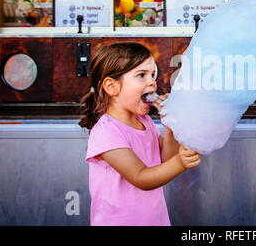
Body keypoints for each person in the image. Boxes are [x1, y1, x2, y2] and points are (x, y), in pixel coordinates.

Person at [79, 42, 201, 226]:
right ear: (111, 87)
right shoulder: (106, 132)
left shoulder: (145, 123)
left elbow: (164, 162)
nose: (152, 82)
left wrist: (170, 129)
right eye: (141, 75)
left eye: (153, 74)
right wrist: (180, 162)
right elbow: (141, 177)